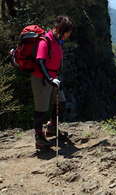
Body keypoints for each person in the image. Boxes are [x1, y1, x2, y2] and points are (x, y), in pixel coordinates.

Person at [32, 15, 73, 149]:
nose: (68, 35)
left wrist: (54, 78)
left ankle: (51, 127)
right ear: (61, 30)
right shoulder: (46, 40)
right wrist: (49, 79)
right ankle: (39, 138)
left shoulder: (57, 41)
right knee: (41, 110)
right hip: (41, 79)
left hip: (53, 79)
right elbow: (40, 60)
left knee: (61, 102)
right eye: (67, 32)